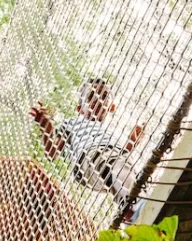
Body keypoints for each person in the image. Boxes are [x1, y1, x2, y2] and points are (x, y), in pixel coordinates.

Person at [28, 78, 144, 213]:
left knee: (122, 174)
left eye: (104, 95)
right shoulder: (73, 123)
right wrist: (47, 129)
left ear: (112, 107)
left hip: (107, 164)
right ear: (80, 109)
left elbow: (121, 158)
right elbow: (51, 153)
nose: (98, 98)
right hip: (88, 156)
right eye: (91, 96)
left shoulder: (111, 132)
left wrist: (132, 141)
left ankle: (130, 212)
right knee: (117, 167)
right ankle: (138, 205)